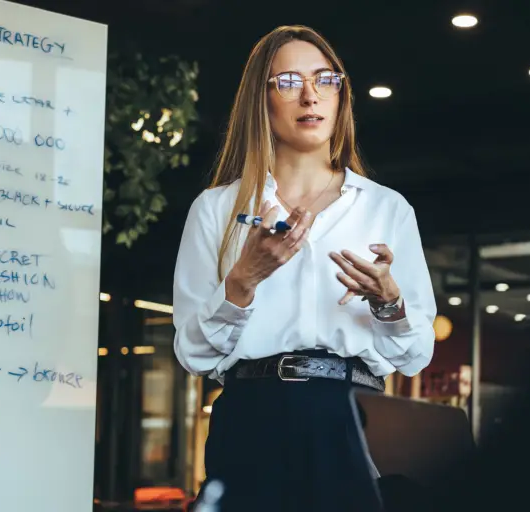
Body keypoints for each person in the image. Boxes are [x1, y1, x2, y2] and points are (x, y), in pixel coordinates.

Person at [172, 25, 437, 512]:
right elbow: (193, 354)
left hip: (352, 418)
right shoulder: (216, 209)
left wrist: (388, 302)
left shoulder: (386, 208)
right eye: (289, 82)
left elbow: (415, 355)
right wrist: (243, 280)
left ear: (341, 95)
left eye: (325, 79)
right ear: (261, 100)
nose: (310, 95)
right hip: (251, 416)